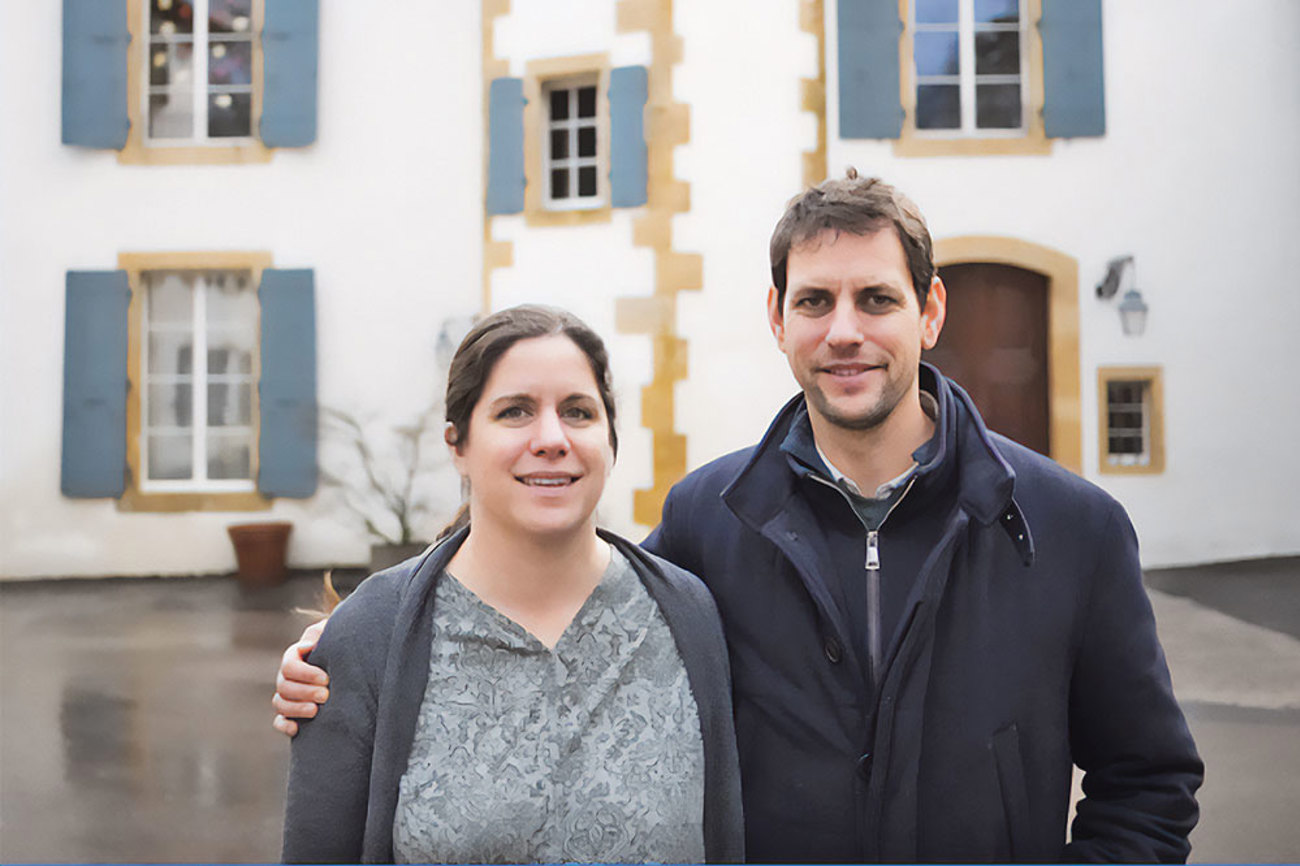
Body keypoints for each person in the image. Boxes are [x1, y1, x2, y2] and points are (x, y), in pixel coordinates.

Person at [276, 175, 1203, 863]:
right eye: (815, 301)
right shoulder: (711, 520)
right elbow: (562, 587)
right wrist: (371, 643)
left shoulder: (1069, 527)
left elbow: (1149, 782)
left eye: (876, 299)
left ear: (929, 311)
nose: (845, 330)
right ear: (778, 318)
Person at [280, 305, 743, 864]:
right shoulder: (371, 636)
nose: (551, 438)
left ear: (610, 439)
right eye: (515, 412)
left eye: (577, 411)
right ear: (458, 444)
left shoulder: (686, 614)